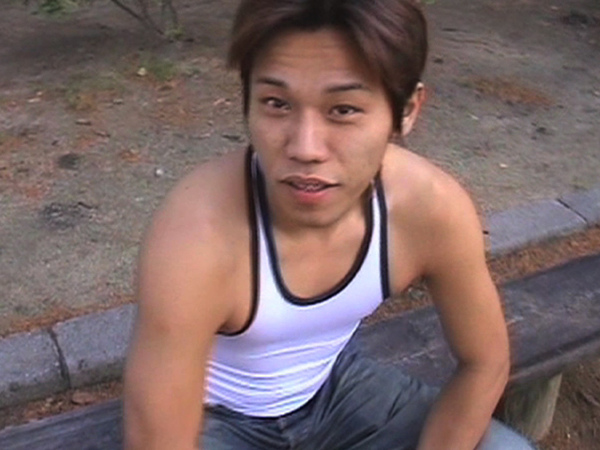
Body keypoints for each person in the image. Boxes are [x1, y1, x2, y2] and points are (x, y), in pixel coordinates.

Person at [123, 0, 536, 448]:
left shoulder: (429, 209)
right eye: (276, 103)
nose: (305, 148)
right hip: (213, 418)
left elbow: (485, 361)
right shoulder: (196, 237)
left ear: (407, 110)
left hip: (336, 389)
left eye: (343, 110)